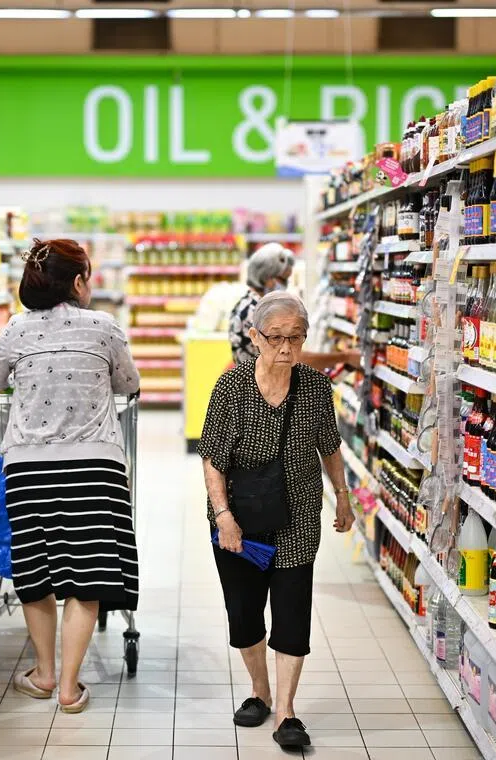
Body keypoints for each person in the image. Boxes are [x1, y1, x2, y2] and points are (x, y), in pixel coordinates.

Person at [0, 238, 140, 714]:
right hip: (94, 467)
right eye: (86, 275)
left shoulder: (16, 329)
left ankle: (44, 674)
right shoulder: (104, 327)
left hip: (28, 469)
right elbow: (129, 384)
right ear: (76, 281)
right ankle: (70, 688)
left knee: (36, 574)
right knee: (86, 580)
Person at [198, 291, 355, 748]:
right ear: (255, 336)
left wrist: (343, 496)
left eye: (296, 338)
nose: (286, 348)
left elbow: (329, 445)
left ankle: (286, 712)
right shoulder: (231, 387)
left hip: (298, 517)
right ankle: (259, 692)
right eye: (276, 338)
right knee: (244, 615)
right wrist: (224, 516)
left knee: (291, 615)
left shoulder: (314, 387)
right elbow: (212, 459)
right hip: (239, 521)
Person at [229, 242, 358, 371]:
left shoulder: (244, 304)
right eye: (283, 279)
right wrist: (344, 357)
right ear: (267, 277)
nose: (286, 285)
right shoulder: (256, 312)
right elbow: (293, 359)